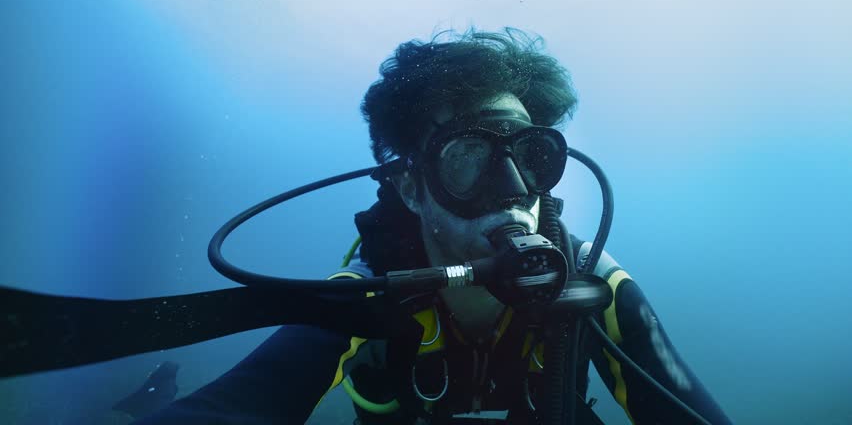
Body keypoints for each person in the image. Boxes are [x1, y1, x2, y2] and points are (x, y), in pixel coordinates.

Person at [134, 29, 733, 424]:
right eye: (468, 158)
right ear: (410, 188)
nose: (513, 188)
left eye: (531, 156)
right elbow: (246, 398)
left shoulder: (588, 281)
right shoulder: (366, 291)